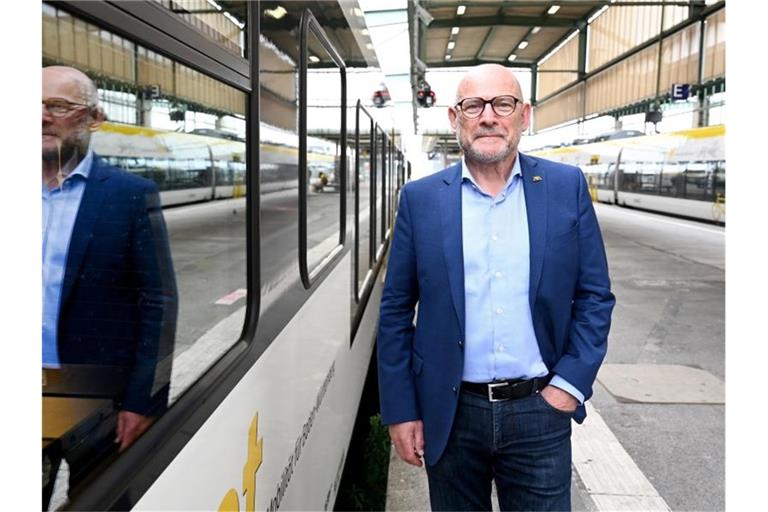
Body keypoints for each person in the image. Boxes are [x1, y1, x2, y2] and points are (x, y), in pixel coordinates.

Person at [377, 64, 615, 511]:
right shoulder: (421, 199)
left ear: (523, 115)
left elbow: (594, 296)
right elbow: (395, 311)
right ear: (455, 118)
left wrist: (569, 384)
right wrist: (402, 409)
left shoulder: (565, 188)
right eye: (473, 105)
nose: (489, 116)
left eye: (502, 104)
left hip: (539, 410)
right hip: (450, 412)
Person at [42, 66, 177, 507]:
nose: (41, 118)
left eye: (58, 106)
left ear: (94, 118)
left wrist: (145, 401)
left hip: (96, 401)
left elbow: (158, 302)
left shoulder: (129, 195)